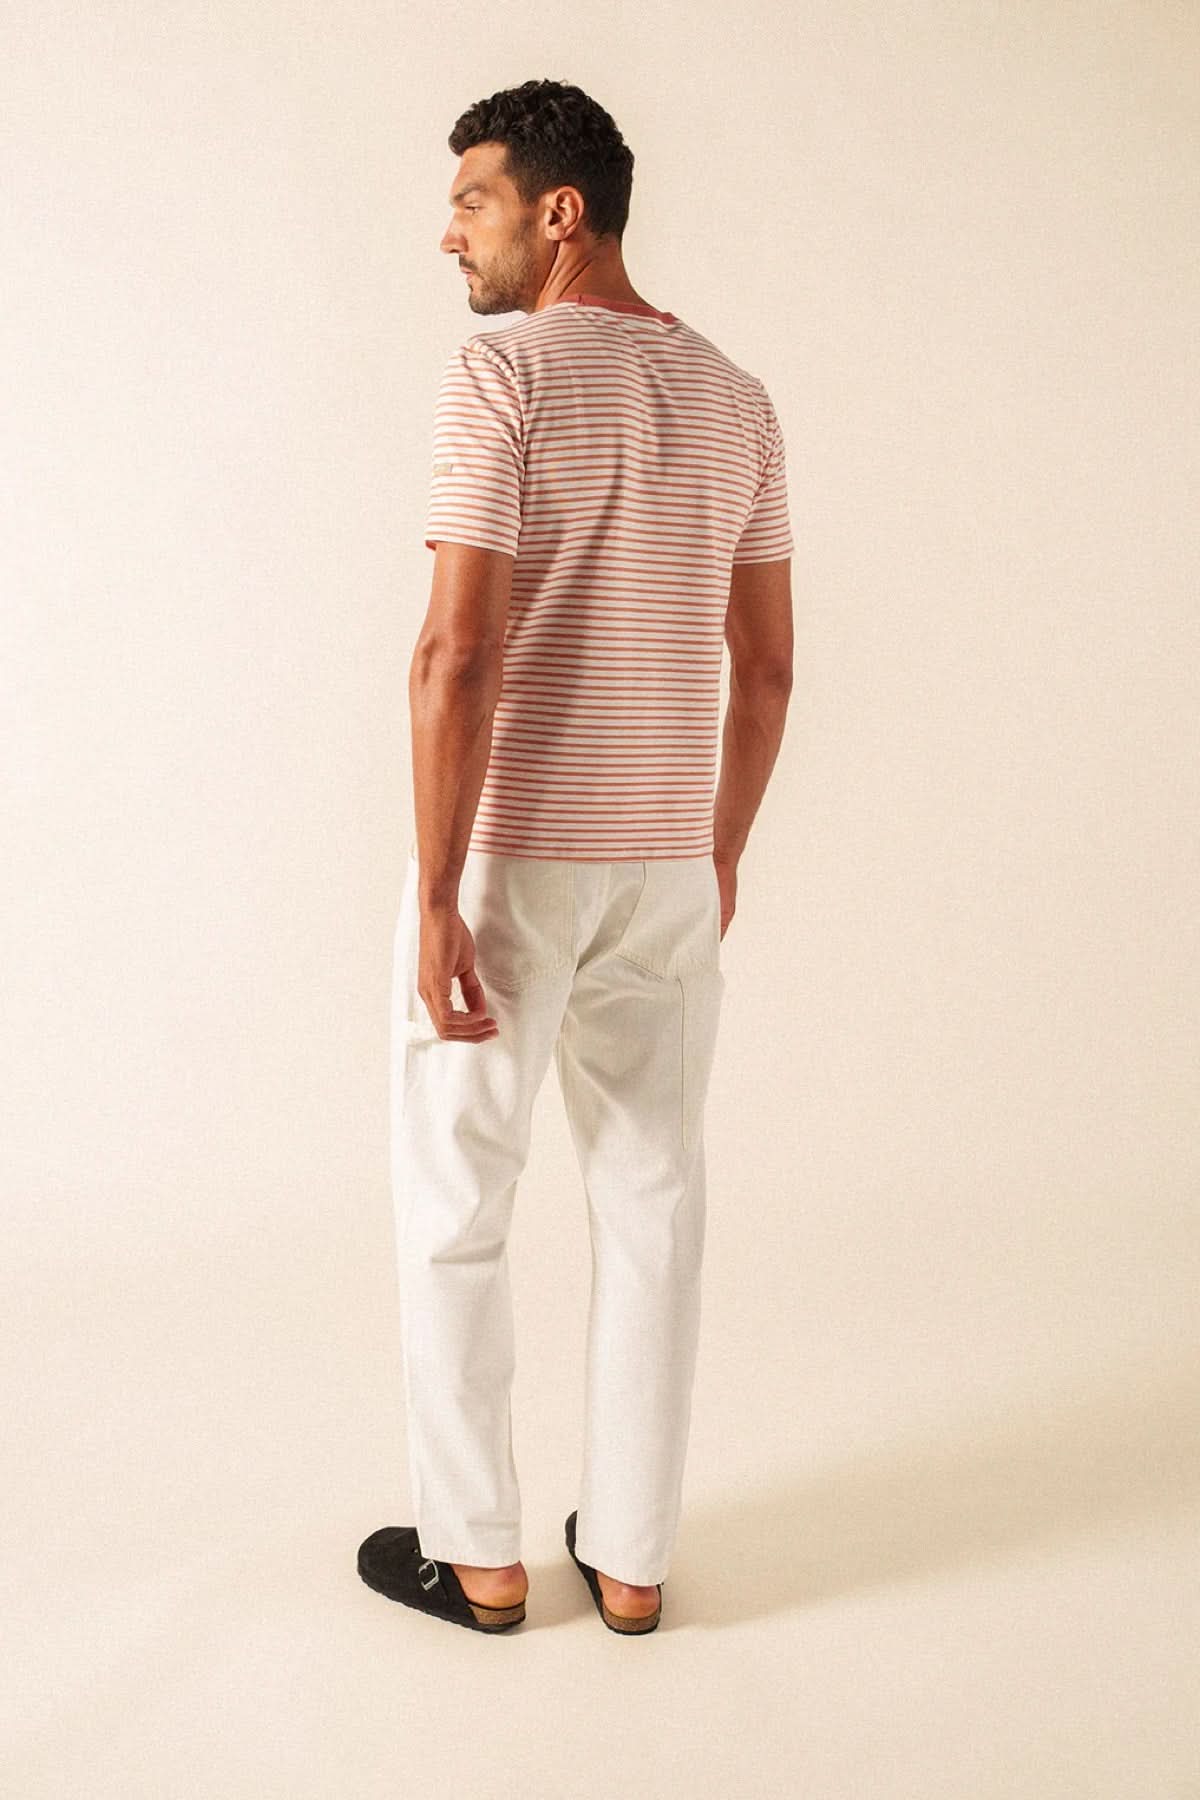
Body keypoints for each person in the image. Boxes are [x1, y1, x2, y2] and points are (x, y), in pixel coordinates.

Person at [357, 78, 793, 1635]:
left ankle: (478, 1554)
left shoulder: (503, 374)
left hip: (516, 863)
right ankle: (633, 1556)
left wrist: (434, 893)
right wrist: (717, 850)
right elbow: (768, 667)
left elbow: (454, 655)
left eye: (470, 199)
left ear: (560, 212)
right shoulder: (738, 397)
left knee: (456, 1200)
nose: (448, 233)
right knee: (654, 1200)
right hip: (665, 866)